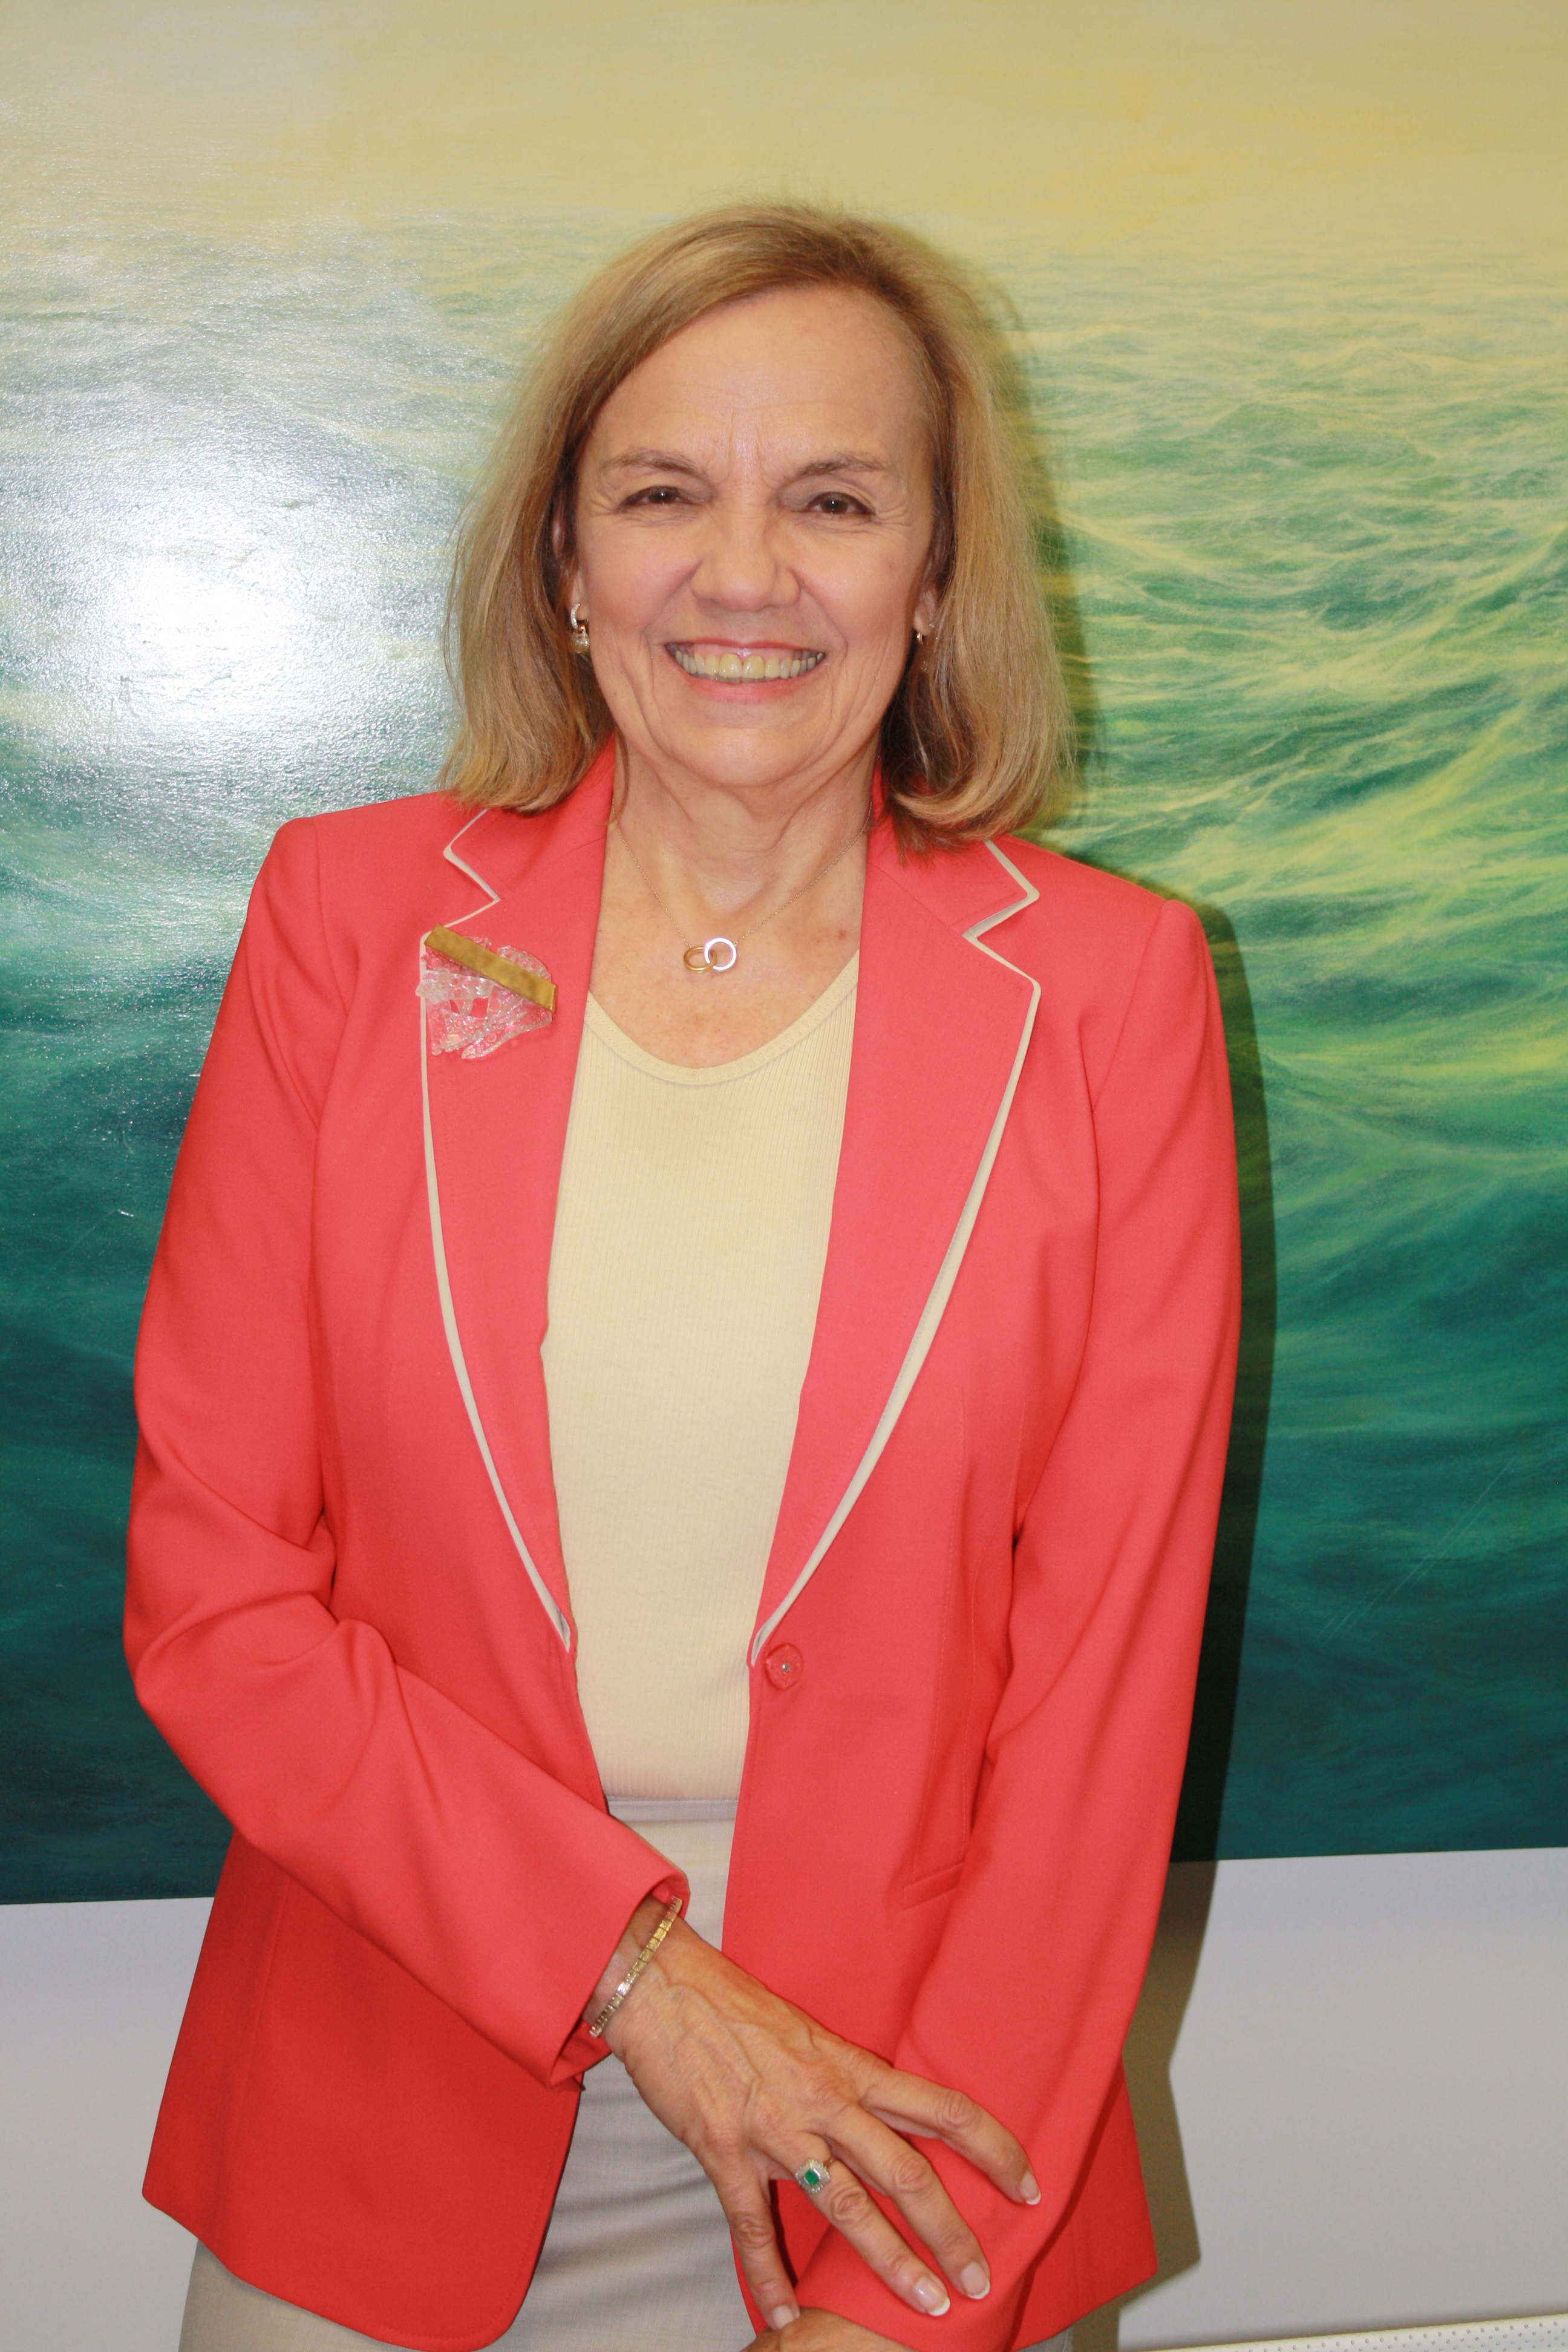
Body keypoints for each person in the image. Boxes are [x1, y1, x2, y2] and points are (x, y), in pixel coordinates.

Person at [125, 204, 1240, 2352]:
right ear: (566, 556)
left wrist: (920, 2283)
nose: (746, 575)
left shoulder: (1109, 993)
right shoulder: (348, 925)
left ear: (931, 578)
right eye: (663, 495)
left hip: (915, 2133)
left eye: (832, 500)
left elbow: (1102, 1699)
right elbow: (217, 1590)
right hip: (389, 2076)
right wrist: (642, 1976)